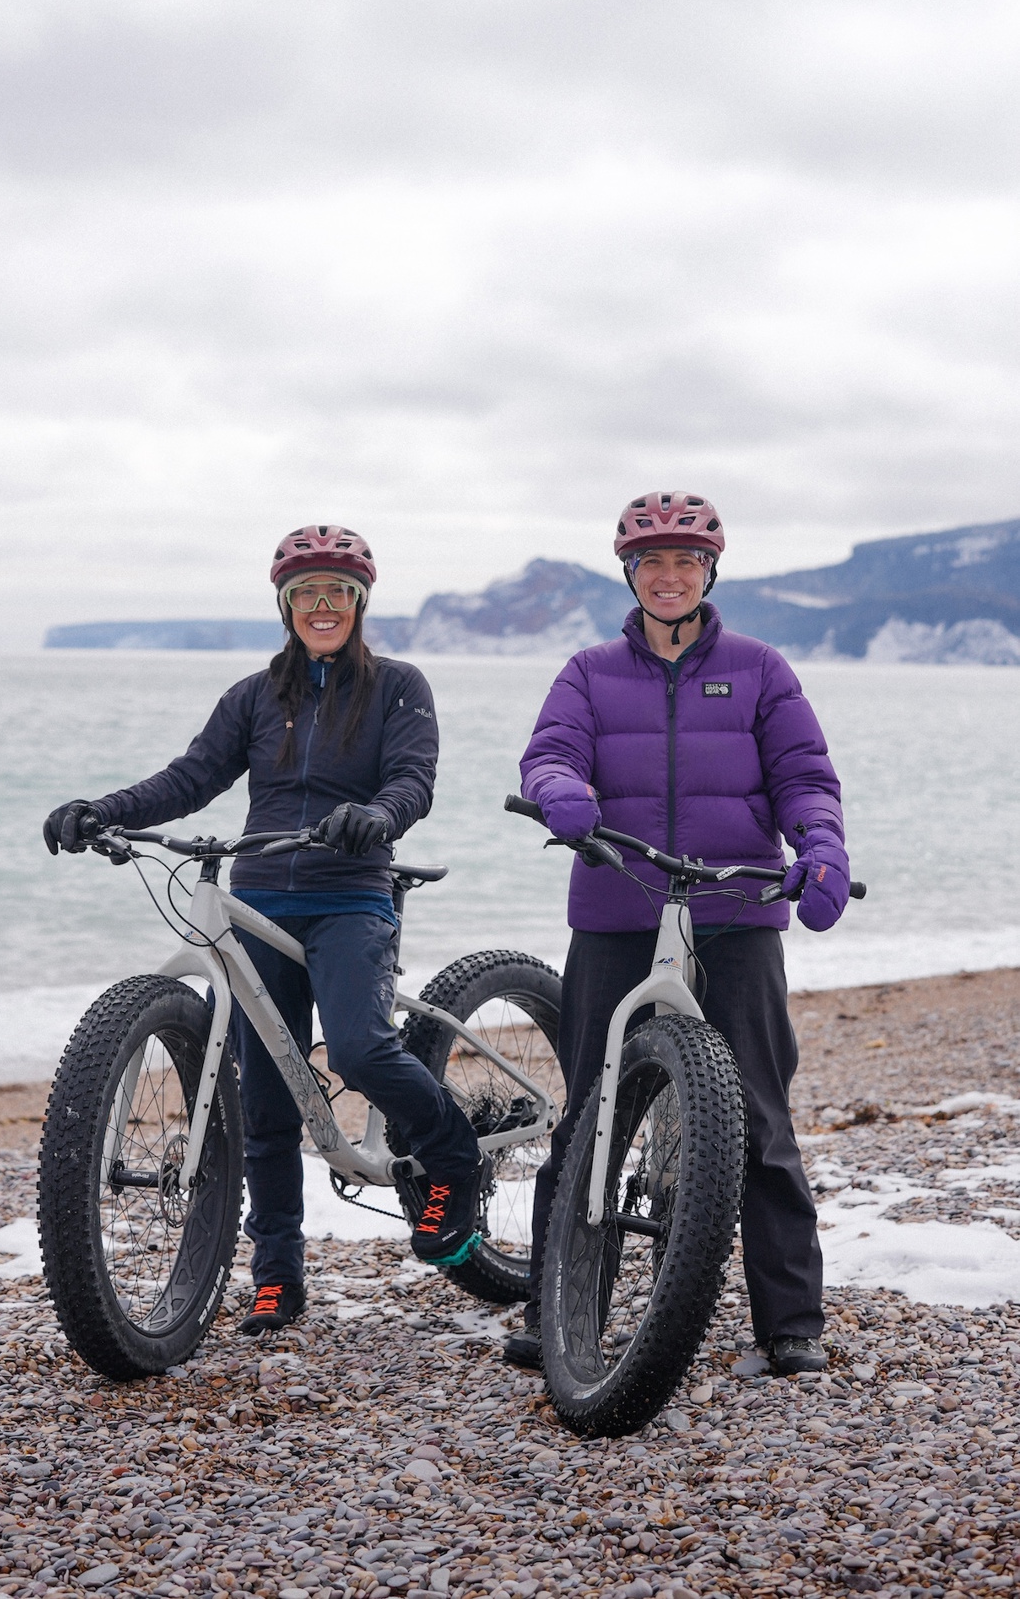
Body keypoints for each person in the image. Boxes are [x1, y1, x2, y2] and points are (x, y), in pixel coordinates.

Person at [43, 524, 485, 1336]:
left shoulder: (399, 685)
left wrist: (377, 817)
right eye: (307, 593)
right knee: (269, 1101)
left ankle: (455, 1157)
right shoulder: (255, 695)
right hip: (261, 896)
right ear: (286, 606)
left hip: (350, 894)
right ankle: (277, 1274)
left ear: (359, 603)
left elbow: (413, 780)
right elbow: (192, 777)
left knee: (357, 1048)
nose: (323, 605)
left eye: (338, 593)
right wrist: (103, 810)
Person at [504, 491, 850, 1377]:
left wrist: (820, 846)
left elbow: (805, 775)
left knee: (761, 1119)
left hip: (735, 914)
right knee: (591, 1113)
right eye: (651, 562)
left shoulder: (760, 668)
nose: (669, 576)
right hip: (620, 908)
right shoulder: (587, 671)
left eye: (685, 562)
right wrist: (561, 793)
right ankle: (557, 1308)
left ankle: (790, 1321)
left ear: (709, 572)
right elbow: (549, 750)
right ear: (629, 572)